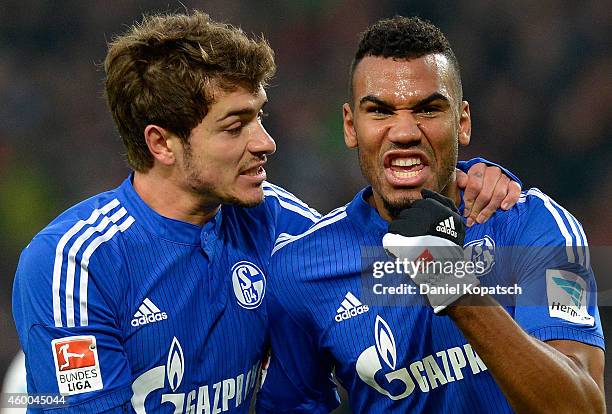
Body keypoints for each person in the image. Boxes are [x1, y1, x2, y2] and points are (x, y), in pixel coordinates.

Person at [12, 11, 520, 413]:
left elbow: (364, 257)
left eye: (260, 117)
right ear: (162, 143)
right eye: (235, 126)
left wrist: (475, 184)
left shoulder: (277, 220)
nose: (266, 142)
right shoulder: (76, 264)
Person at [258, 16, 605, 414]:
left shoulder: (533, 228)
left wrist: (451, 283)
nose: (404, 131)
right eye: (380, 111)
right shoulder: (301, 268)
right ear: (351, 127)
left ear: (462, 122)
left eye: (427, 109)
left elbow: (582, 407)